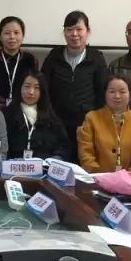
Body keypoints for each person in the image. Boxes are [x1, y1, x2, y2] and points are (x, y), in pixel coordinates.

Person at [41, 10, 107, 162]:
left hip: (86, 125)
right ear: (64, 32)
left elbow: (102, 93)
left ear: (87, 31)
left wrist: (95, 122)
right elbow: (44, 89)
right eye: (69, 30)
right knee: (58, 164)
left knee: (84, 164)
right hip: (57, 124)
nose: (74, 34)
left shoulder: (96, 58)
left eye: (79, 29)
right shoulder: (54, 56)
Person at [77, 75, 131, 173]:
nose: (117, 96)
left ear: (130, 96)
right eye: (112, 92)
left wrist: (127, 175)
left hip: (129, 178)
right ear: (105, 95)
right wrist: (100, 175)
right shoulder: (91, 118)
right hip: (96, 177)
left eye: (122, 92)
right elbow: (85, 153)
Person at [4, 70, 71, 160]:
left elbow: (64, 146)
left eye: (36, 88)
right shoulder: (7, 115)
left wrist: (56, 158)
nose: (31, 92)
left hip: (45, 165)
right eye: (27, 86)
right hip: (14, 165)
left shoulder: (51, 118)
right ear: (20, 87)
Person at [0, 16, 38, 110]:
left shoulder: (30, 60)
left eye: (16, 33)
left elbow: (34, 89)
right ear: (0, 36)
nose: (12, 37)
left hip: (22, 110)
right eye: (7, 33)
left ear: (23, 36)